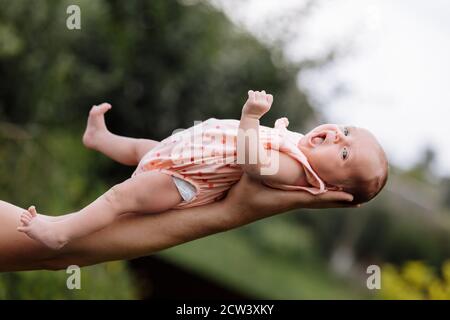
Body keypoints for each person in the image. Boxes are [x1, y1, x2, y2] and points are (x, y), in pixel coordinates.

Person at [16, 90, 387, 250]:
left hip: (186, 182)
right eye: (347, 132)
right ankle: (99, 138)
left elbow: (252, 163)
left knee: (121, 197)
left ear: (328, 183)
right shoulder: (301, 144)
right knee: (141, 148)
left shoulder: (297, 168)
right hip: (184, 154)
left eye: (343, 154)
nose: (338, 136)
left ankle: (61, 232)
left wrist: (251, 117)